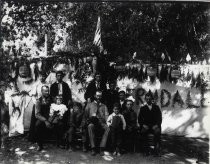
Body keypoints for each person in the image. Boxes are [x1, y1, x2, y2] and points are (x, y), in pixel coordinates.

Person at [34, 86, 65, 151]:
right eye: (45, 91)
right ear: (42, 92)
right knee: (37, 125)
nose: (47, 92)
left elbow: (58, 105)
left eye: (48, 91)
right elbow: (37, 114)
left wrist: (55, 116)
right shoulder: (38, 101)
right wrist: (45, 121)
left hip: (52, 117)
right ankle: (40, 145)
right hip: (43, 119)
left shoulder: (52, 98)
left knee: (60, 124)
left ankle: (59, 142)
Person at [82, 90, 109, 156]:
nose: (98, 97)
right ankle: (93, 148)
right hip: (93, 122)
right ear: (94, 96)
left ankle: (101, 148)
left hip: (101, 123)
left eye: (100, 96)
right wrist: (84, 123)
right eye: (97, 96)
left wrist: (106, 122)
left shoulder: (104, 106)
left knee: (108, 128)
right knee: (90, 126)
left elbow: (107, 117)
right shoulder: (89, 105)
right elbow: (85, 116)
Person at [138, 92, 162, 156]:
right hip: (146, 126)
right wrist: (143, 125)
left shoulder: (156, 107)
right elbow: (139, 119)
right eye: (147, 99)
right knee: (143, 132)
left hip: (154, 126)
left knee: (157, 132)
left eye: (150, 99)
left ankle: (156, 150)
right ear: (145, 100)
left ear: (152, 99)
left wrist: (157, 125)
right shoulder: (142, 108)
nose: (148, 100)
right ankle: (146, 150)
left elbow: (159, 118)